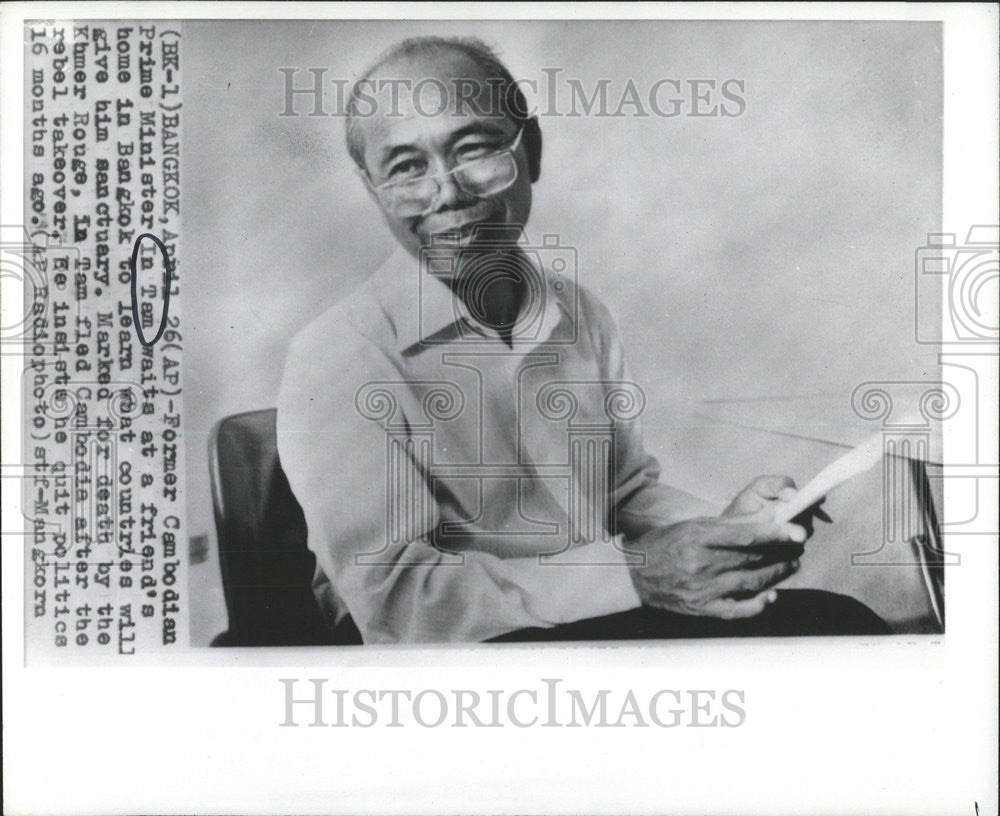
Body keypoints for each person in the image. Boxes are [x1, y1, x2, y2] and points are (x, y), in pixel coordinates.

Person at [276, 36, 888, 644]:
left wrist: (718, 528)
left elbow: (620, 494)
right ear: (373, 189)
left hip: (606, 614)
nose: (448, 193)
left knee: (846, 627)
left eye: (475, 149)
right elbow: (400, 604)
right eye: (407, 167)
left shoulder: (577, 311)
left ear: (531, 150)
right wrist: (639, 574)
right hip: (465, 659)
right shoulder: (337, 358)